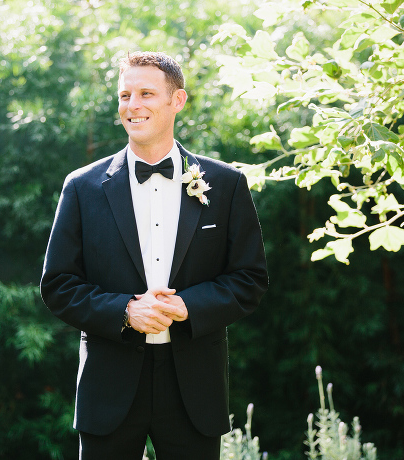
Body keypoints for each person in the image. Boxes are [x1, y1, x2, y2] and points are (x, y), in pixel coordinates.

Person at [40, 51, 268, 458]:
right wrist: (126, 311)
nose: (133, 105)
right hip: (109, 383)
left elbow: (249, 278)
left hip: (194, 385)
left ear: (177, 100)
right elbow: (58, 285)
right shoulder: (82, 187)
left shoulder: (227, 184)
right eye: (125, 95)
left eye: (146, 93)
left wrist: (187, 306)